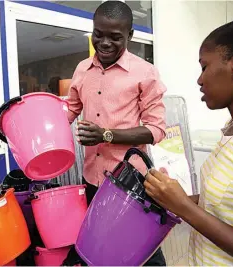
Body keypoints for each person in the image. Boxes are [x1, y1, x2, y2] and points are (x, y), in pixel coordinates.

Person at [144, 17, 233, 266]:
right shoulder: (232, 130)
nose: (199, 79)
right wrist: (173, 196)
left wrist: (184, 207)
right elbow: (228, 204)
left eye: (204, 67)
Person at [66, 1, 167, 266]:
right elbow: (69, 111)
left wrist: (105, 135)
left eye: (115, 37)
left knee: (141, 251)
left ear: (130, 35)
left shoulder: (145, 73)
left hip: (130, 182)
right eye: (98, 33)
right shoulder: (81, 70)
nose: (105, 42)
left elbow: (156, 130)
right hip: (92, 178)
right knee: (97, 247)